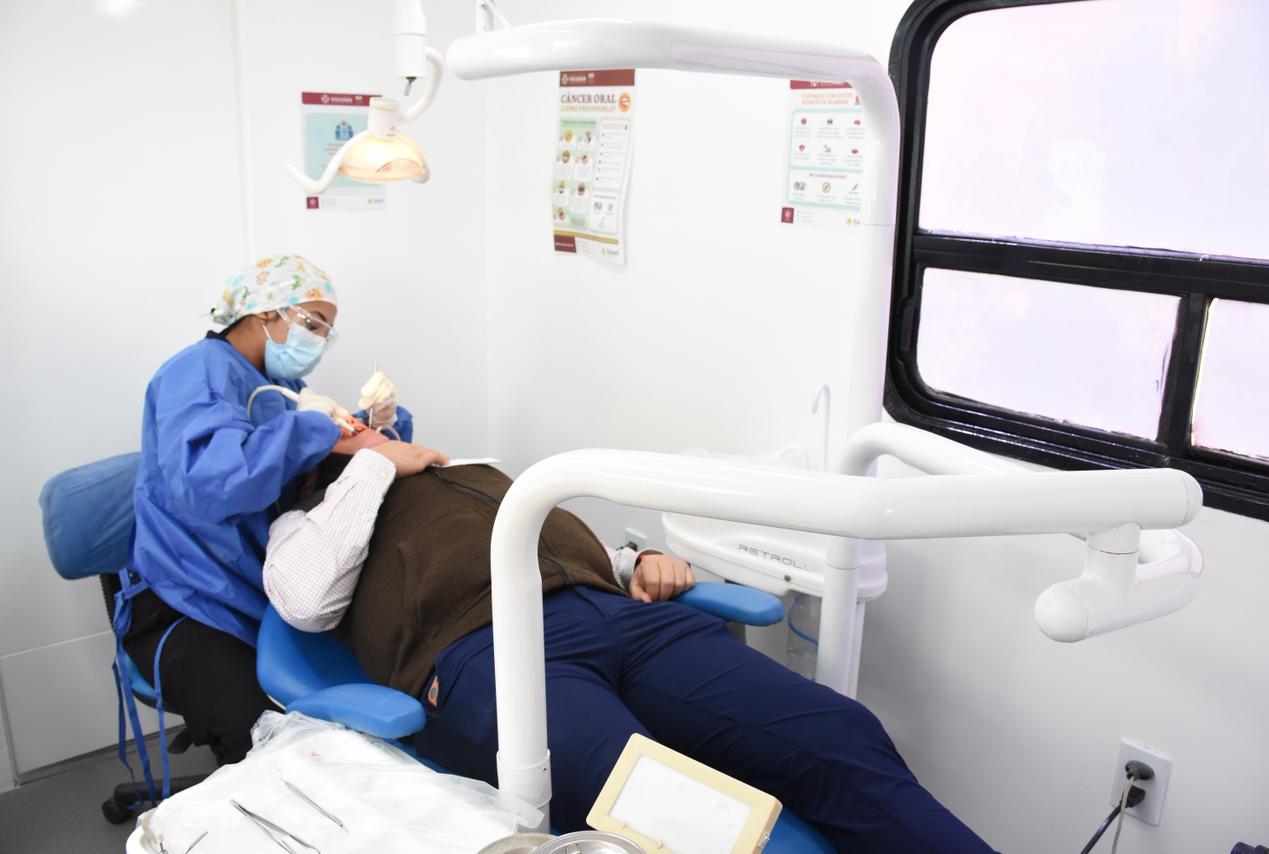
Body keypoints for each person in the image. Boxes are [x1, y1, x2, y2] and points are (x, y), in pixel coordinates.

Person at [263, 440, 995, 852]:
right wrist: (372, 464)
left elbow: (539, 540)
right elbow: (306, 600)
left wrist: (632, 561)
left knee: (839, 733)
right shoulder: (306, 523)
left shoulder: (470, 470)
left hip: (624, 618)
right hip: (489, 650)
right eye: (342, 428)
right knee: (656, 803)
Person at [124, 254, 442, 766]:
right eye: (312, 324)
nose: (317, 342)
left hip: (262, 590)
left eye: (325, 332)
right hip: (188, 600)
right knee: (260, 732)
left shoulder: (279, 388)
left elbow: (295, 459)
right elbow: (214, 483)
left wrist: (376, 427)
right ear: (265, 312)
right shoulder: (197, 372)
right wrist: (324, 433)